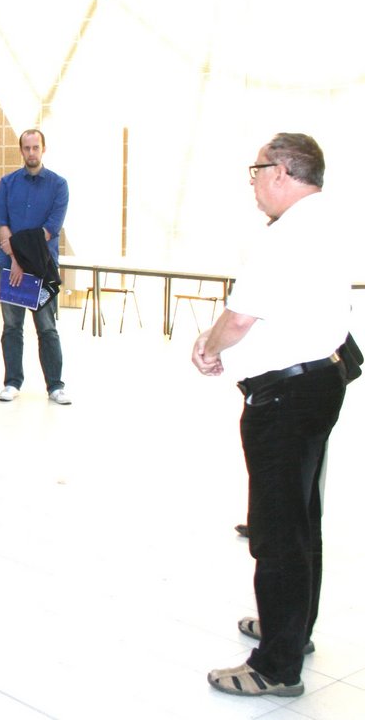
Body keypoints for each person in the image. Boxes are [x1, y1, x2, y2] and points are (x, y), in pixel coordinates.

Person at [192, 133, 350, 698]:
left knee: (277, 533)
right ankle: (293, 624)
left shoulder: (286, 236)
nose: (254, 183)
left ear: (282, 171)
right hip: (319, 385)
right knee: (302, 520)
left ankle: (277, 664)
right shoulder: (326, 220)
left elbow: (239, 319)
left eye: (257, 171)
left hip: (285, 400)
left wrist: (207, 347)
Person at [0, 128, 70, 405]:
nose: (31, 153)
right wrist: (15, 261)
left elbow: (49, 230)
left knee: (47, 328)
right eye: (26, 148)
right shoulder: (7, 183)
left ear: (43, 149)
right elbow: (2, 225)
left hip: (42, 268)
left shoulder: (59, 185)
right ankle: (12, 382)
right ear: (21, 151)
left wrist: (23, 261)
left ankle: (55, 386)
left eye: (35, 147)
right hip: (8, 267)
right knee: (12, 327)